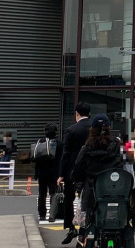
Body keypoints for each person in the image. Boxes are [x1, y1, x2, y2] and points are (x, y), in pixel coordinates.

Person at [71, 114, 123, 242]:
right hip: (112, 193)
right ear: (108, 129)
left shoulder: (86, 148)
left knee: (86, 224)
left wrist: (77, 181)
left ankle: (83, 237)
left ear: (92, 130)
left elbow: (77, 169)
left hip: (91, 194)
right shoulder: (116, 146)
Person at [57, 101, 91, 245]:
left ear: (76, 114)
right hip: (90, 171)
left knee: (69, 199)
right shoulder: (94, 128)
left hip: (72, 171)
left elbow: (66, 154)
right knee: (88, 201)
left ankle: (71, 228)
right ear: (89, 113)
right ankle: (85, 229)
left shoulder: (71, 130)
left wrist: (61, 174)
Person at [34, 123, 62, 222]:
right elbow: (61, 159)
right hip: (54, 172)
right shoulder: (59, 143)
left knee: (42, 193)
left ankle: (42, 214)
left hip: (41, 172)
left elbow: (36, 157)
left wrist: (36, 173)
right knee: (53, 193)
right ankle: (52, 215)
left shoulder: (40, 142)